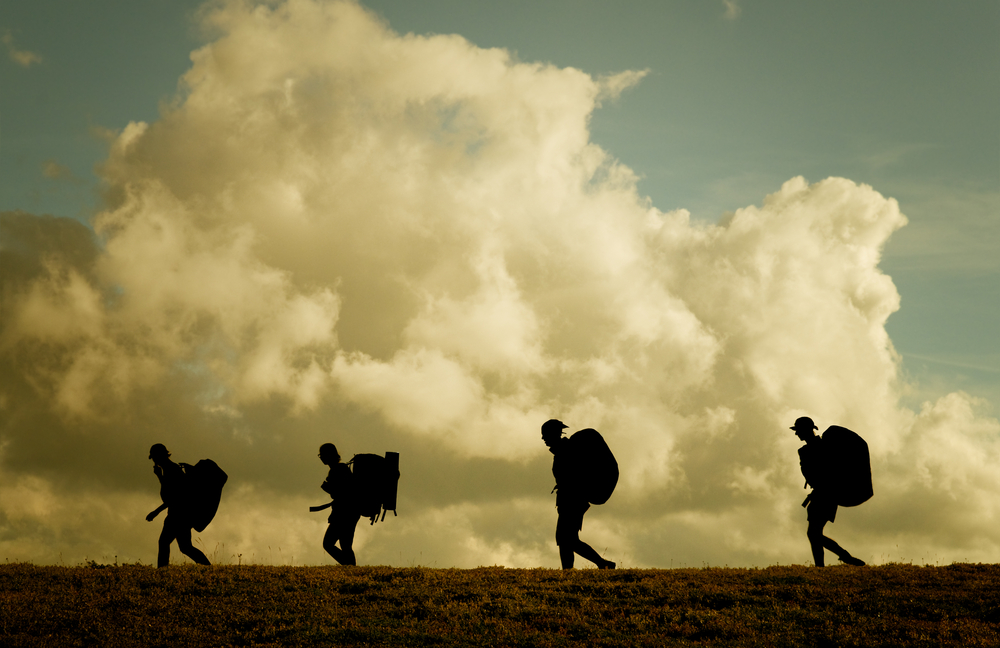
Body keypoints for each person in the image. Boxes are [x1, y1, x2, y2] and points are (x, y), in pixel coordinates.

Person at [541, 419, 616, 570]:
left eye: (545, 435)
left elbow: (575, 476)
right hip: (568, 500)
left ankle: (602, 564)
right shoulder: (562, 450)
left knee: (566, 539)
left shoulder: (567, 451)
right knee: (565, 539)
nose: (543, 438)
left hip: (573, 500)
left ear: (554, 434)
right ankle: (571, 571)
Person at [791, 417, 866, 567]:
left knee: (813, 533)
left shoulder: (820, 448)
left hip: (826, 495)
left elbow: (826, 472)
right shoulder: (810, 449)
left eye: (798, 431)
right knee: (814, 534)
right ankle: (823, 566)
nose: (796, 434)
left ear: (806, 430)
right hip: (822, 495)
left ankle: (843, 557)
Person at [146, 443, 211, 568]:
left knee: (165, 542)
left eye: (154, 457)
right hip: (181, 514)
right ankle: (208, 567)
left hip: (179, 515)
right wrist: (159, 476)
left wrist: (155, 512)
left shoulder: (172, 470)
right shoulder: (168, 470)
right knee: (185, 547)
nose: (153, 460)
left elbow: (174, 497)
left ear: (161, 455)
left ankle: (162, 571)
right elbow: (168, 493)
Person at [317, 443, 362, 565]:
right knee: (345, 545)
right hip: (351, 512)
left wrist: (328, 489)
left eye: (322, 455)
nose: (321, 458)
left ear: (329, 455)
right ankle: (350, 568)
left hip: (344, 512)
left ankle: (349, 567)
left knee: (329, 544)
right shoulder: (341, 469)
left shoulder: (338, 470)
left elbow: (344, 492)